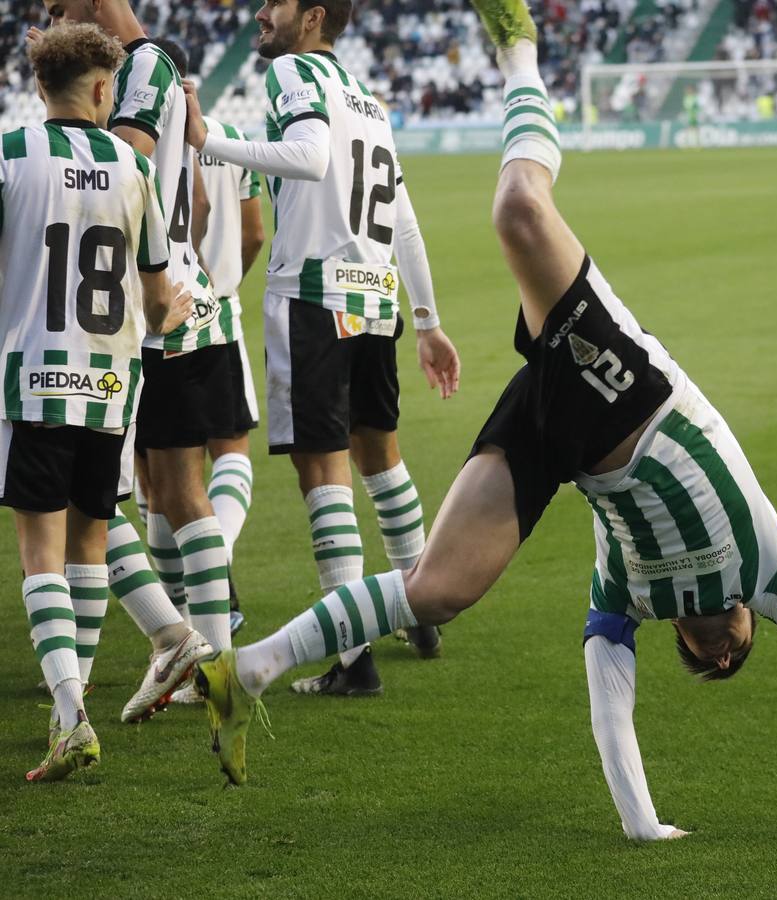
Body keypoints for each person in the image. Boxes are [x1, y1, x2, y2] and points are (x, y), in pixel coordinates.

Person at [194, 0, 777, 840]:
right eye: (731, 652)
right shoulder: (767, 571)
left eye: (702, 660)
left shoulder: (626, 587)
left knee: (436, 592)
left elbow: (611, 705)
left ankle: (248, 669)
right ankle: (520, 48)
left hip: (563, 439)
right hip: (636, 394)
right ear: (743, 636)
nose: (720, 651)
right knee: (519, 212)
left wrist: (644, 827)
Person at [180, 0, 460, 695]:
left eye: (274, 4)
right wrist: (425, 319)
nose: (261, 14)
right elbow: (405, 220)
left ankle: (352, 658)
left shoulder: (294, 74)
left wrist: (206, 137)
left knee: (323, 469)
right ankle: (419, 608)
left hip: (314, 296)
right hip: (373, 297)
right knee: (379, 455)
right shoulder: (367, 101)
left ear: (311, 18)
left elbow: (305, 157)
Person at [1, 23, 191, 780]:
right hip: (111, 389)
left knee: (39, 552)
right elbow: (154, 295)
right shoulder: (130, 166)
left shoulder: (12, 157)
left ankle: (72, 713)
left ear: (38, 87)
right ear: (104, 90)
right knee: (90, 541)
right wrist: (173, 311)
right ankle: (65, 710)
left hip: (34, 380)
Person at [37, 0, 240, 685]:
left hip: (145, 314)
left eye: (61, 8)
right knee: (134, 492)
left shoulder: (145, 64)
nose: (52, 18)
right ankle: (187, 649)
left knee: (129, 495)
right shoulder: (156, 70)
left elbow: (121, 166)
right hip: (150, 301)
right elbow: (199, 203)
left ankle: (199, 657)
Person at [150, 37, 264, 642]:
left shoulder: (143, 141)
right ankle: (207, 591)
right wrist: (223, 286)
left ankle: (193, 602)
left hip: (159, 318)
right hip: (221, 309)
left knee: (162, 479)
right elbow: (252, 233)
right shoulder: (225, 139)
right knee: (229, 451)